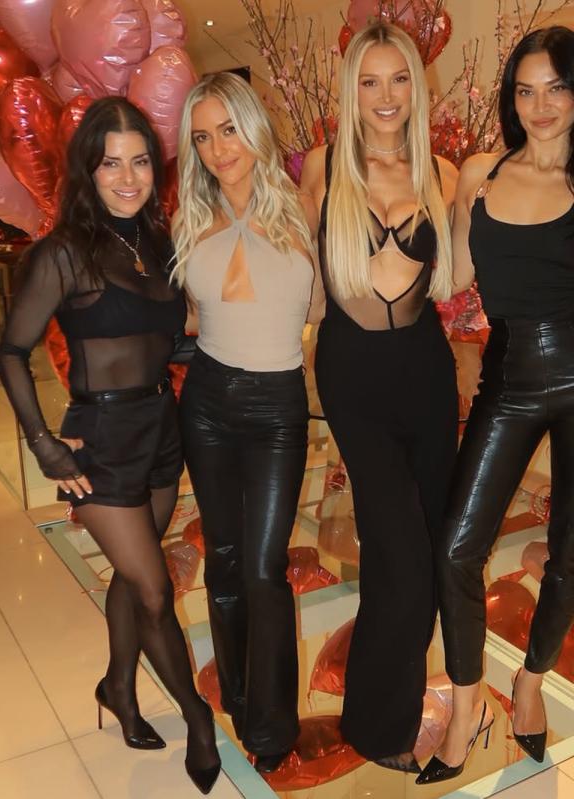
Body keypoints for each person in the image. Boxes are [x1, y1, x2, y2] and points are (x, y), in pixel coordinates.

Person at [0, 96, 220, 795]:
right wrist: (43, 444)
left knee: (134, 573)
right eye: (111, 164)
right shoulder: (63, 253)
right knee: (154, 590)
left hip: (160, 429)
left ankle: (118, 686)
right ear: (87, 170)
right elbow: (11, 352)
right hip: (100, 439)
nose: (128, 178)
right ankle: (198, 717)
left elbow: (161, 337)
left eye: (140, 162)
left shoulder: (157, 243)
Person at [300, 21, 464, 773]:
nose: (386, 95)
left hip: (425, 372)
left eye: (400, 79)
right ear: (352, 89)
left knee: (427, 546)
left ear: (417, 88)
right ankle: (375, 724)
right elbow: (307, 279)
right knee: (401, 552)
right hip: (354, 374)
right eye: (370, 80)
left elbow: (457, 276)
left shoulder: (442, 172)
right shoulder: (326, 166)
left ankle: (385, 710)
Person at [422, 26, 574, 784]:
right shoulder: (481, 173)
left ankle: (531, 680)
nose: (540, 106)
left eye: (557, 88)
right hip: (508, 377)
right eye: (525, 90)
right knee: (456, 548)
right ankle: (467, 701)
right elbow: (452, 278)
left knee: (571, 555)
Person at [171, 71, 323, 773]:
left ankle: (271, 727)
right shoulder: (189, 217)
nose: (218, 149)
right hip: (206, 400)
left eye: (228, 130)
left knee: (265, 567)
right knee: (225, 557)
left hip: (276, 408)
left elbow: (322, 307)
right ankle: (235, 692)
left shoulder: (305, 207)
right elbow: (191, 316)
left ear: (253, 128)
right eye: (203, 138)